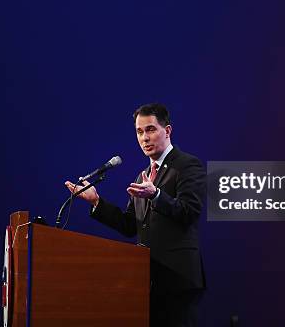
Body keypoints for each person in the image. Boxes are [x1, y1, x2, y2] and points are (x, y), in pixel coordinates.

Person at [65, 103, 206, 327]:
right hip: (147, 281)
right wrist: (96, 202)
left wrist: (156, 195)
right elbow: (130, 225)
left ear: (167, 131)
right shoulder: (142, 177)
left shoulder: (187, 165)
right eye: (139, 132)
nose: (144, 138)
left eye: (150, 129)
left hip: (178, 280)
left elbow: (189, 212)